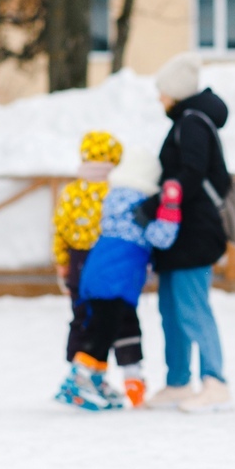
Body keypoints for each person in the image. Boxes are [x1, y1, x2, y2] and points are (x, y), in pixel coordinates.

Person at [140, 52, 233, 413]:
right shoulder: (185, 121)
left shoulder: (192, 123)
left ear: (176, 91)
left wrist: (155, 201)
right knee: (170, 308)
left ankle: (215, 381)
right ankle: (178, 381)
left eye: (162, 91)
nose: (159, 97)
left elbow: (191, 175)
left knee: (192, 307)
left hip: (195, 230)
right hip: (177, 230)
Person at [56, 149, 180, 411]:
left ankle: (96, 381)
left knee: (103, 326)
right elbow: (162, 238)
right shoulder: (141, 205)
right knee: (104, 332)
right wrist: (170, 205)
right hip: (115, 281)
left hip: (97, 274)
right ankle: (78, 382)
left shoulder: (115, 198)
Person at [53, 131, 149, 407]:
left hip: (77, 259)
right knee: (118, 317)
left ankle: (81, 372)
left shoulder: (71, 191)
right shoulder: (116, 191)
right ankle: (122, 374)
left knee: (83, 317)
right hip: (110, 259)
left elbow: (59, 229)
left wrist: (62, 261)